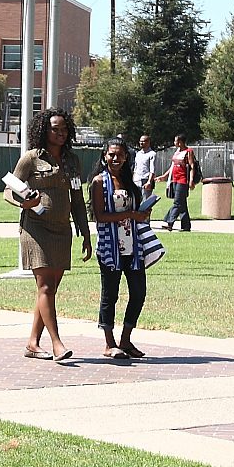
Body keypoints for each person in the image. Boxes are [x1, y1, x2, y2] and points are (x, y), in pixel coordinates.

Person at [11, 108, 92, 360]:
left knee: (49, 288)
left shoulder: (72, 161)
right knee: (45, 286)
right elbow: (10, 190)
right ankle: (57, 344)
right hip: (35, 229)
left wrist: (86, 233)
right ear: (44, 131)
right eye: (55, 129)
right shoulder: (31, 159)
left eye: (64, 129)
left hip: (61, 229)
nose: (60, 133)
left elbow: (77, 198)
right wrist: (23, 203)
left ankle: (32, 343)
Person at [91, 136, 153, 359]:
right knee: (110, 295)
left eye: (120, 155)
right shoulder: (99, 182)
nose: (115, 158)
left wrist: (142, 213)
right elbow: (100, 216)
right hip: (110, 248)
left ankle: (126, 340)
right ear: (105, 156)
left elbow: (135, 212)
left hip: (133, 247)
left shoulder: (130, 183)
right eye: (111, 154)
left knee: (138, 293)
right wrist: (130, 214)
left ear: (127, 157)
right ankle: (109, 344)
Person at [160, 134, 199, 232]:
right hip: (175, 180)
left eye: (175, 141)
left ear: (180, 142)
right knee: (182, 204)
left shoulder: (188, 151)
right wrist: (164, 176)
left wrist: (190, 180)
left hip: (183, 180)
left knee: (177, 202)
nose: (174, 143)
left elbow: (192, 166)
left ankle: (169, 222)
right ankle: (186, 226)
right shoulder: (177, 152)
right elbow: (173, 166)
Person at [132, 134, 160, 203]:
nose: (141, 143)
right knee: (136, 201)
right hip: (137, 180)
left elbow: (152, 169)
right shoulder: (138, 154)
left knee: (145, 202)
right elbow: (135, 168)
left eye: (143, 141)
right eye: (140, 141)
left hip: (146, 180)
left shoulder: (152, 154)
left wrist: (149, 182)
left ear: (148, 142)